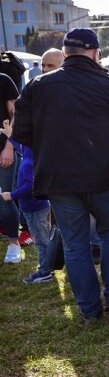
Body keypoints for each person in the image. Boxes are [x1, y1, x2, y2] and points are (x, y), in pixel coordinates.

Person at [13, 28, 109, 323]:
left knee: (75, 242)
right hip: (101, 173)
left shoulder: (38, 85)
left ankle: (90, 309)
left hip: (59, 177)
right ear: (94, 53)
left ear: (66, 53)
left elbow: (22, 133)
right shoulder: (108, 84)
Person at [0, 121, 51, 283]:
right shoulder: (30, 154)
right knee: (44, 238)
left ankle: (45, 271)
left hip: (34, 209)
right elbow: (21, 147)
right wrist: (10, 136)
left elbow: (30, 187)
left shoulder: (29, 164)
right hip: (36, 208)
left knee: (41, 241)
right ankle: (50, 264)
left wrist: (12, 195)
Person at [0, 72, 21, 264]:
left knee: (4, 197)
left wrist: (9, 145)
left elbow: (15, 113)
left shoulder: (3, 80)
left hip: (3, 149)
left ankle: (14, 244)